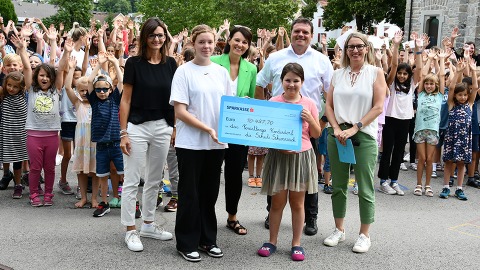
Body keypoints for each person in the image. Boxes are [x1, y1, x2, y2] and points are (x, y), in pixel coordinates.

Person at [255, 17, 333, 235]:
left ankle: (311, 218)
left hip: (309, 128)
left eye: (305, 32)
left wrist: (323, 121)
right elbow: (260, 83)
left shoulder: (321, 60)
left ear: (311, 35)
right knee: (278, 173)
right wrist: (263, 114)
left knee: (309, 173)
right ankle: (272, 212)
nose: (301, 35)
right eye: (297, 31)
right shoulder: (276, 57)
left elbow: (330, 92)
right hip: (279, 128)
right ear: (291, 32)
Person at [170, 24, 232, 262]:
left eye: (210, 42)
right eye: (201, 42)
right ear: (193, 44)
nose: (206, 46)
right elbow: (180, 111)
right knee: (190, 194)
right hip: (191, 143)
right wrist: (207, 128)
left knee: (209, 194)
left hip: (216, 144)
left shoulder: (221, 72)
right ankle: (186, 242)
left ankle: (208, 240)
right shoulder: (183, 72)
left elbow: (228, 105)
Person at [323, 32, 386, 253]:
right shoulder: (337, 74)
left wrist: (354, 128)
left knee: (365, 187)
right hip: (338, 135)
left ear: (366, 48)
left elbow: (378, 106)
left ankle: (364, 234)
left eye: (359, 46)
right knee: (338, 186)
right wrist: (338, 129)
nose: (355, 50)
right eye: (351, 47)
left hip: (363, 136)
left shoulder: (375, 73)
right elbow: (328, 106)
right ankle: (339, 229)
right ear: (345, 50)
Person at [119, 17, 176, 252]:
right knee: (133, 180)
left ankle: (149, 225)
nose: (156, 39)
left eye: (160, 35)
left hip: (163, 126)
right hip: (137, 127)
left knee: (155, 180)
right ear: (145, 37)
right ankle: (130, 230)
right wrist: (123, 132)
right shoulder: (133, 63)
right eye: (152, 35)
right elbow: (126, 99)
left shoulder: (172, 64)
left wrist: (173, 128)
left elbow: (175, 100)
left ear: (165, 38)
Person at [257, 63, 320, 261]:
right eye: (287, 80)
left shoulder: (309, 104)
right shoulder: (273, 101)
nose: (291, 84)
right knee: (277, 203)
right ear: (281, 81)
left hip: (301, 156)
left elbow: (316, 134)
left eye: (296, 80)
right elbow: (264, 132)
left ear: (302, 82)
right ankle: (272, 241)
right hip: (278, 156)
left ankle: (296, 243)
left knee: (298, 203)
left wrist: (310, 118)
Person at [211, 25, 257, 235]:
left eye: (245, 42)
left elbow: (251, 98)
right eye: (237, 40)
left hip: (238, 131)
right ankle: (206, 215)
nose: (240, 45)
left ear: (248, 46)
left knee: (234, 174)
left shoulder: (251, 69)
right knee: (211, 173)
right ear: (229, 40)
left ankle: (232, 216)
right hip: (213, 127)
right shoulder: (213, 62)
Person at [377, 31, 422, 196]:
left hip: (405, 121)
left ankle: (394, 181)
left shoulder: (412, 85)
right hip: (390, 119)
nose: (402, 76)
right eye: (400, 73)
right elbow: (395, 65)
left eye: (405, 74)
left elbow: (419, 68)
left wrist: (418, 48)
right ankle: (383, 181)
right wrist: (395, 45)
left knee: (398, 152)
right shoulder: (390, 84)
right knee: (387, 151)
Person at [87, 51, 124, 217]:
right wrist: (96, 68)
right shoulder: (94, 101)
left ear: (110, 89)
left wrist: (115, 62)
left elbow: (122, 81)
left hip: (116, 143)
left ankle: (131, 202)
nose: (102, 92)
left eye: (105, 89)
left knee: (124, 172)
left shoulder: (115, 99)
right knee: (102, 175)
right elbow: (89, 81)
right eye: (98, 89)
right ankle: (104, 202)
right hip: (101, 145)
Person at [440, 58, 478, 200]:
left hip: (464, 139)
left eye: (464, 95)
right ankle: (446, 186)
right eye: (460, 95)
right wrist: (458, 72)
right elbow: (451, 87)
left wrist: (473, 72)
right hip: (452, 137)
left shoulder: (469, 105)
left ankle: (459, 188)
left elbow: (474, 88)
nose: (462, 97)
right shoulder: (451, 105)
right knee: (449, 162)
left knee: (461, 164)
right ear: (455, 95)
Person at [64, 56, 97, 208]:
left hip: (95, 143)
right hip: (82, 143)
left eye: (87, 90)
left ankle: (95, 198)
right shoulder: (78, 103)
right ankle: (84, 197)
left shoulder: (97, 103)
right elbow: (67, 88)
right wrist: (71, 69)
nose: (85, 93)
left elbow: (94, 82)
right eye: (81, 90)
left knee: (96, 171)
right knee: (82, 172)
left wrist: (97, 68)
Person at [413, 49, 447, 196]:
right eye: (427, 83)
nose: (428, 86)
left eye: (431, 84)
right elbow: (421, 76)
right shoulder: (420, 94)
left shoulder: (440, 96)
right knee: (421, 158)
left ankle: (428, 185)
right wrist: (428, 60)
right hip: (420, 130)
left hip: (432, 131)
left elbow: (441, 76)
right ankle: (419, 185)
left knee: (429, 159)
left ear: (436, 85)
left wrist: (440, 60)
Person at [0, 72, 29, 198]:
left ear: (22, 88)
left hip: (20, 135)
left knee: (18, 160)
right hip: (6, 134)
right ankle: (7, 175)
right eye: (9, 85)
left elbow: (28, 72)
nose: (11, 88)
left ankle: (18, 185)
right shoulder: (3, 95)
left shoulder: (25, 96)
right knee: (5, 157)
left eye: (15, 86)